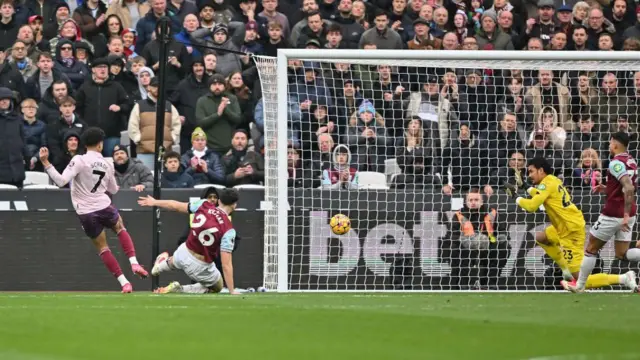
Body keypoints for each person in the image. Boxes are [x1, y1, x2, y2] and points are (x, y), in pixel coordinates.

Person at [38, 127, 149, 293]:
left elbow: (61, 181)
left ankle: (124, 282)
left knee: (103, 248)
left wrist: (46, 163)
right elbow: (114, 190)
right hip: (104, 205)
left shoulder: (79, 160)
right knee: (120, 229)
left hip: (86, 212)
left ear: (84, 144)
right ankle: (134, 262)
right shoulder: (107, 163)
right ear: (100, 145)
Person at [510, 157, 637, 292]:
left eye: (531, 171)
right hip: (565, 225)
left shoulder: (546, 184)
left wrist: (515, 197)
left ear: (541, 170)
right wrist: (525, 187)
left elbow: (531, 206)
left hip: (570, 231)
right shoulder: (552, 180)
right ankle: (565, 269)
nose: (529, 175)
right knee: (541, 237)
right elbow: (539, 193)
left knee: (580, 281)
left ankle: (623, 278)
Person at [565, 132, 640, 293]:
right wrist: (607, 189)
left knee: (591, 249)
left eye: (610, 142)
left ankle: (580, 285)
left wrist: (625, 215)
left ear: (615, 144)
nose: (608, 145)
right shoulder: (631, 160)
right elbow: (624, 186)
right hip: (631, 212)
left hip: (614, 214)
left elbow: (628, 187)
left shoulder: (615, 163)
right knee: (622, 254)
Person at [149, 188, 241, 295]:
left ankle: (159, 266)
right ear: (234, 205)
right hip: (199, 265)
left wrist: (155, 202)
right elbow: (226, 264)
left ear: (219, 201)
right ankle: (180, 289)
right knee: (218, 286)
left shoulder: (204, 204)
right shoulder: (228, 229)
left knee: (174, 261)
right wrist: (232, 290)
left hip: (183, 251)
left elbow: (175, 205)